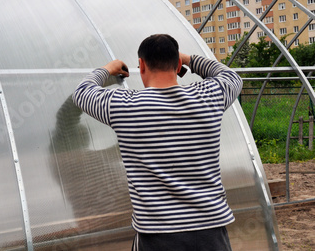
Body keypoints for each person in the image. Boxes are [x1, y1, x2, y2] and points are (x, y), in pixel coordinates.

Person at [72, 34, 243, 251]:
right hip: (211, 231)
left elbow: (81, 93)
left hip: (157, 235)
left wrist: (109, 67)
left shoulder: (124, 106)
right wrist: (188, 59)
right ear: (177, 64)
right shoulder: (208, 96)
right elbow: (231, 76)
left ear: (141, 65)